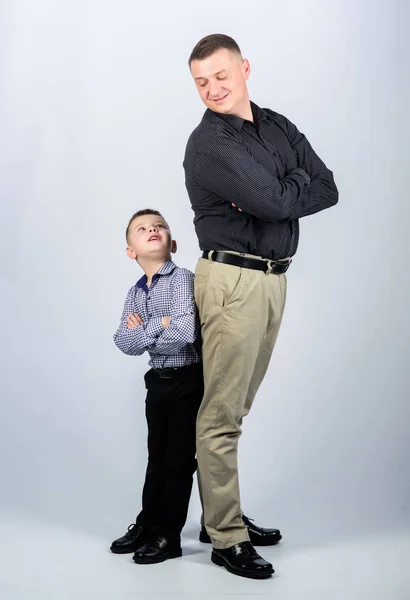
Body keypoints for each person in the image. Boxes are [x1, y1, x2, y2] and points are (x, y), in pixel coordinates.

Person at [183, 34, 339, 579]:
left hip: (272, 281)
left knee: (236, 408)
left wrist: (281, 186)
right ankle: (226, 537)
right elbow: (277, 202)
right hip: (231, 281)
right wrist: (284, 189)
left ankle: (218, 514)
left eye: (221, 76)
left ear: (244, 67)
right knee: (221, 413)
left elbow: (329, 186)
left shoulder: (276, 125)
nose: (212, 89)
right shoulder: (208, 145)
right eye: (201, 82)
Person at [110, 209, 203, 564]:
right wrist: (158, 322)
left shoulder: (183, 280)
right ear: (131, 250)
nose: (152, 230)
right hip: (157, 383)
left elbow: (184, 334)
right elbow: (122, 341)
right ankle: (147, 524)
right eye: (142, 229)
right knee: (156, 458)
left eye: (160, 226)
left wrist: (145, 330)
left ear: (173, 242)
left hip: (186, 380)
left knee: (178, 460)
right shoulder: (135, 293)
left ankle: (168, 534)